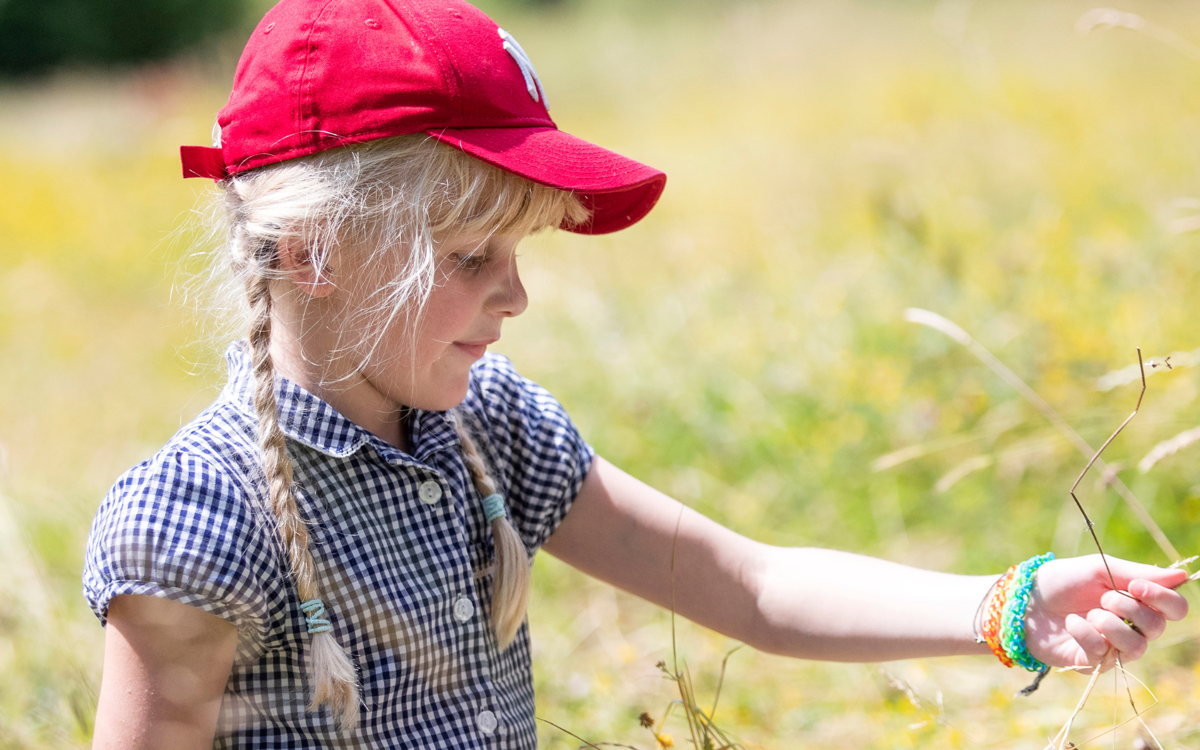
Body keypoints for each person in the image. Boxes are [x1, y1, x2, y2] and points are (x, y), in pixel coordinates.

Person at [82, 0, 1190, 747]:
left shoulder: (487, 431)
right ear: (312, 253)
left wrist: (1005, 608)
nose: (516, 297)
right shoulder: (199, 524)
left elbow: (751, 588)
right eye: (473, 259)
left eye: (521, 254)